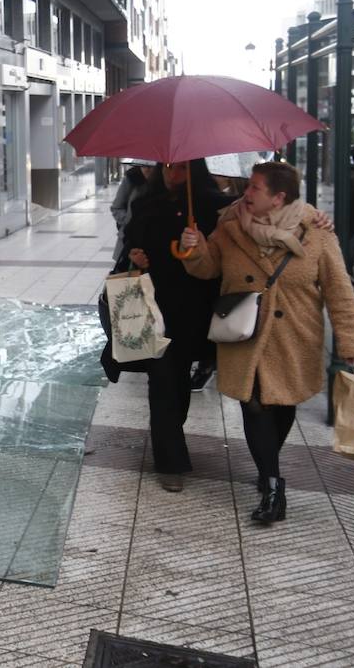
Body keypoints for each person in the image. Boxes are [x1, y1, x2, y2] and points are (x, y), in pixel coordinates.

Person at [179, 161, 354, 524]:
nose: (245, 193)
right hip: (245, 333)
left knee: (281, 406)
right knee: (253, 404)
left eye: (254, 188)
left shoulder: (316, 231)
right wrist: (196, 248)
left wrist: (352, 342)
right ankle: (272, 484)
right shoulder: (231, 223)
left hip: (294, 334)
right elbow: (208, 268)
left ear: (278, 197)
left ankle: (267, 465)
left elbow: (339, 291)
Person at [123, 158, 234, 492]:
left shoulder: (214, 206)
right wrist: (135, 255)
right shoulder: (145, 202)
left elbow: (243, 224)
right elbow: (130, 242)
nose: (174, 174)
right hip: (154, 307)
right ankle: (169, 459)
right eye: (169, 167)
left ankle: (170, 433)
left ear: (195, 170)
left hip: (196, 308)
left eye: (183, 168)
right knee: (163, 380)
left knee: (179, 381)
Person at [110, 163, 159, 265]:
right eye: (144, 166)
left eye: (151, 166)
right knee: (128, 277)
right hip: (130, 243)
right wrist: (130, 221)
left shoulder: (164, 181)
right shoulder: (132, 178)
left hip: (155, 244)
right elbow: (116, 207)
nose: (147, 170)